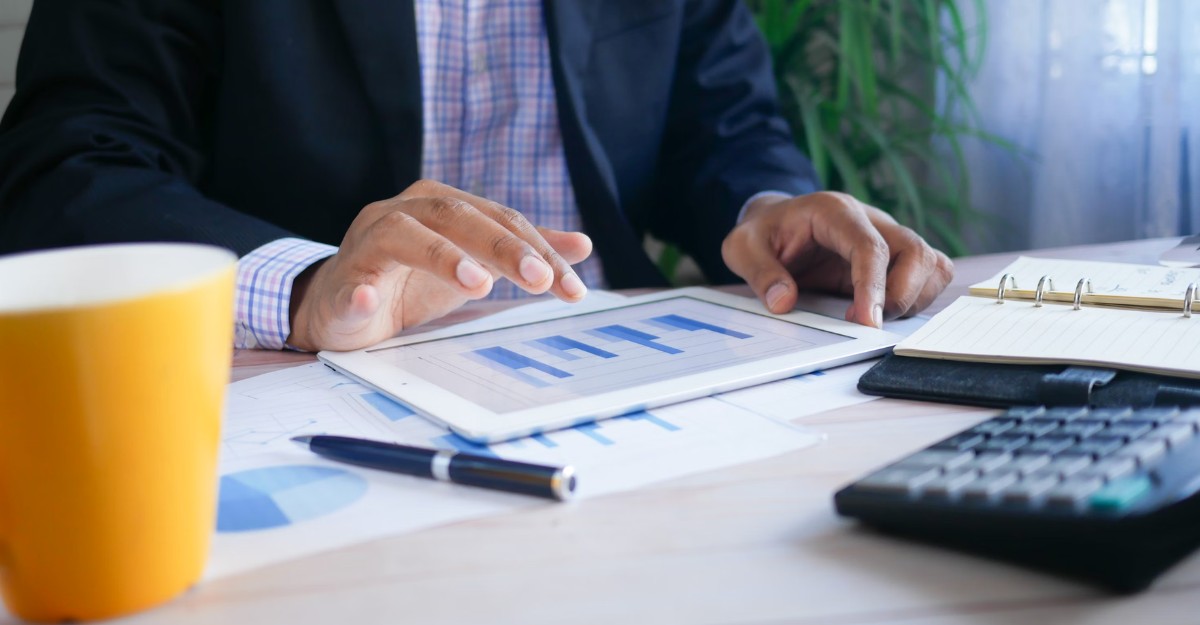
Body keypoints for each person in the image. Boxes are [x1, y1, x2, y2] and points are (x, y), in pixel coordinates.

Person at [0, 1, 952, 352]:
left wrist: (772, 207)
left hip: (615, 369)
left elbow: (720, 123)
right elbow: (63, 167)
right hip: (306, 381)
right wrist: (302, 283)